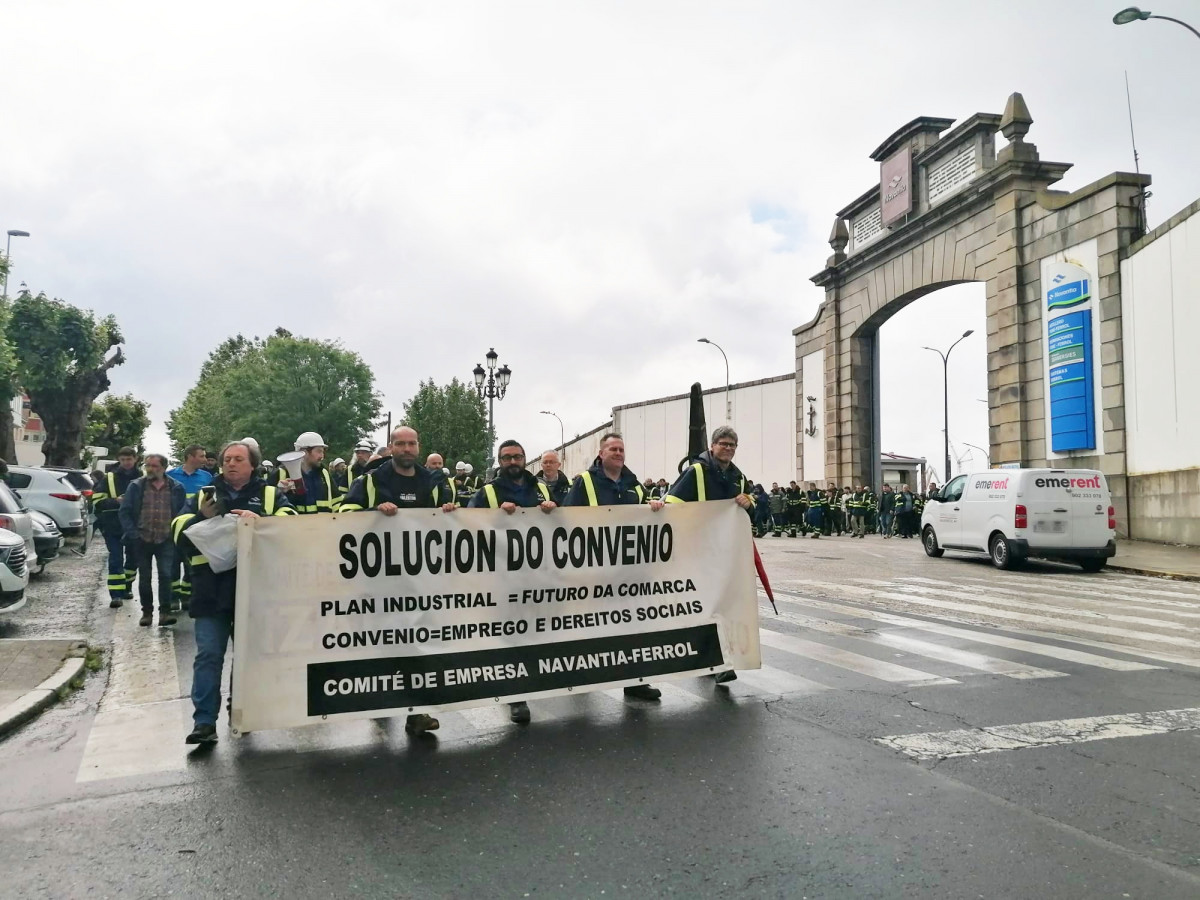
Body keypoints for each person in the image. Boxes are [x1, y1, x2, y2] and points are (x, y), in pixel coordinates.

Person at [173, 441, 296, 745]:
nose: (230, 464)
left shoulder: (269, 494)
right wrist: (200, 518)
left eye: (238, 459)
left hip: (255, 590)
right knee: (208, 656)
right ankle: (203, 722)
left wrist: (263, 523)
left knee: (247, 658)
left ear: (252, 464)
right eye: (227, 459)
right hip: (210, 591)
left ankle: (240, 711)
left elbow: (293, 526)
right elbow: (176, 532)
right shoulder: (205, 495)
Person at [340, 427, 455, 736]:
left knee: (416, 644)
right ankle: (384, 701)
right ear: (391, 447)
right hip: (379, 579)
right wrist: (373, 511)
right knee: (384, 643)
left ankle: (415, 712)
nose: (406, 448)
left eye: (411, 443)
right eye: (400, 443)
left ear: (418, 447)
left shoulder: (430, 482)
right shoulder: (372, 480)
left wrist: (447, 512)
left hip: (419, 580)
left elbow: (445, 520)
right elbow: (343, 513)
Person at [563, 432, 663, 702]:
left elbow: (647, 516)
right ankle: (581, 677)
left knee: (632, 627)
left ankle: (634, 682)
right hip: (593, 571)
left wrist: (654, 506)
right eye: (612, 449)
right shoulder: (584, 482)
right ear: (601, 452)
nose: (618, 453)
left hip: (628, 571)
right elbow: (566, 519)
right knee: (588, 625)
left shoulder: (634, 484)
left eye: (621, 449)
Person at [468, 440, 555, 723]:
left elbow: (564, 524)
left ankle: (535, 681)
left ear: (525, 459)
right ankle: (515, 696)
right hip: (502, 577)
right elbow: (466, 524)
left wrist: (555, 507)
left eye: (517, 457)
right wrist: (494, 515)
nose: (513, 462)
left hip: (538, 575)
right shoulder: (489, 492)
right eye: (507, 458)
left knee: (537, 632)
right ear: (500, 461)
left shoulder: (540, 488)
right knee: (511, 635)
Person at [665, 425, 753, 685]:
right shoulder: (696, 472)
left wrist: (750, 503)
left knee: (723, 606)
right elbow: (673, 505)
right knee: (707, 606)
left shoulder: (738, 476)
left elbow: (751, 510)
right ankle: (717, 661)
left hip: (726, 554)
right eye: (724, 444)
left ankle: (715, 659)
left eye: (732, 445)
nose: (728, 449)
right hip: (699, 552)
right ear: (712, 446)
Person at [119, 453, 186, 627]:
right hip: (142, 538)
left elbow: (182, 512)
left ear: (164, 468)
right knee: (145, 577)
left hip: (166, 539)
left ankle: (165, 612)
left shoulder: (176, 487)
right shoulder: (136, 486)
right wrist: (133, 533)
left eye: (154, 466)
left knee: (165, 575)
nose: (150, 469)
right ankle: (146, 612)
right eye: (147, 465)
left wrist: (175, 534)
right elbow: (125, 512)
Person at [92, 447, 142, 607]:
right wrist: (116, 501)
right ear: (119, 460)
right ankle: (116, 595)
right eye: (123, 460)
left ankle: (127, 586)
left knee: (133, 559)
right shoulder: (109, 478)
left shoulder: (144, 477)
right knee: (116, 559)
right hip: (113, 525)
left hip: (135, 526)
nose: (126, 463)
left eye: (129, 459)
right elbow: (97, 501)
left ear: (135, 459)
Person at [167, 444, 214, 610]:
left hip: (197, 526)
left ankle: (187, 597)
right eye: (201, 456)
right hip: (174, 526)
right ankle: (173, 597)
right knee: (172, 564)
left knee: (191, 563)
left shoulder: (207, 477)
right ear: (190, 456)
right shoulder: (170, 475)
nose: (204, 459)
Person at [281, 431, 339, 514]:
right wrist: (280, 491)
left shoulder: (324, 473)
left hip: (324, 525)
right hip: (295, 526)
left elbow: (337, 502)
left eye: (322, 452)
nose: (322, 456)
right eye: (319, 451)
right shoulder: (282, 473)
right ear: (304, 452)